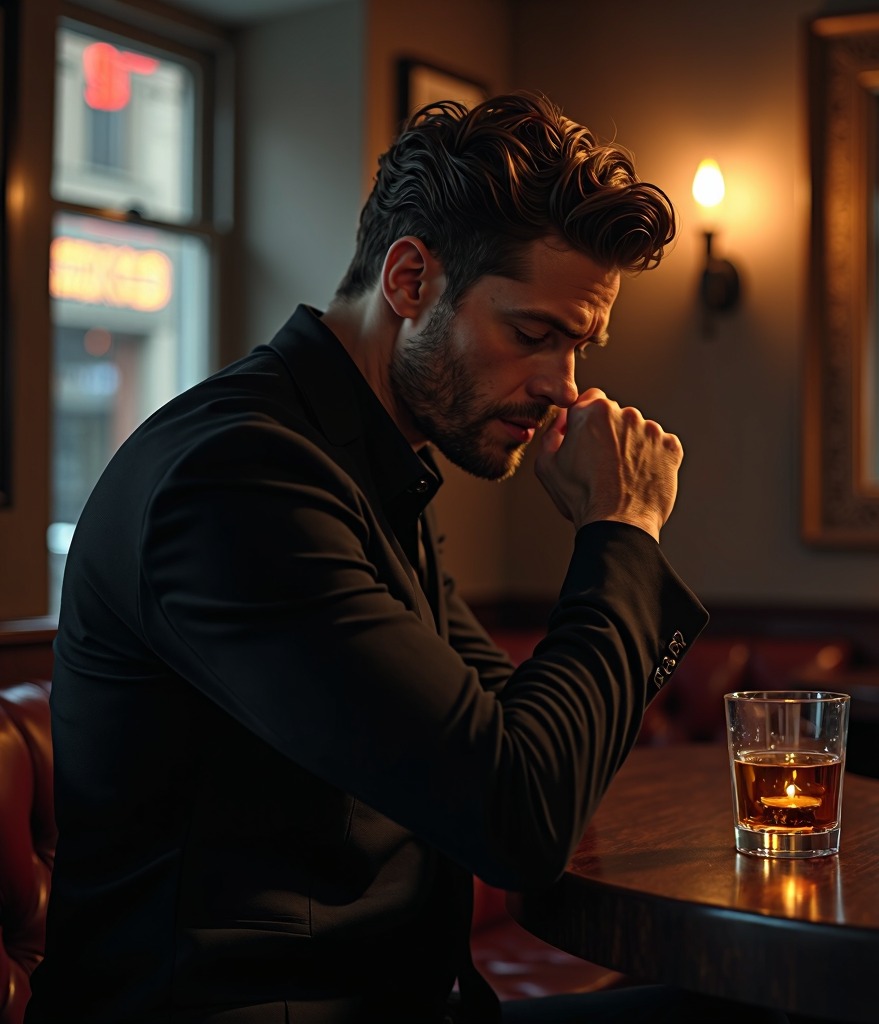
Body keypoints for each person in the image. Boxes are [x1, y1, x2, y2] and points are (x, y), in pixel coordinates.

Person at [25, 91, 755, 1024]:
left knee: (752, 1009)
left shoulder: (360, 465)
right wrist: (622, 531)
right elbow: (521, 816)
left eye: (579, 346)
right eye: (533, 335)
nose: (563, 388)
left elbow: (533, 748)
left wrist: (620, 552)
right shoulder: (241, 483)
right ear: (409, 281)